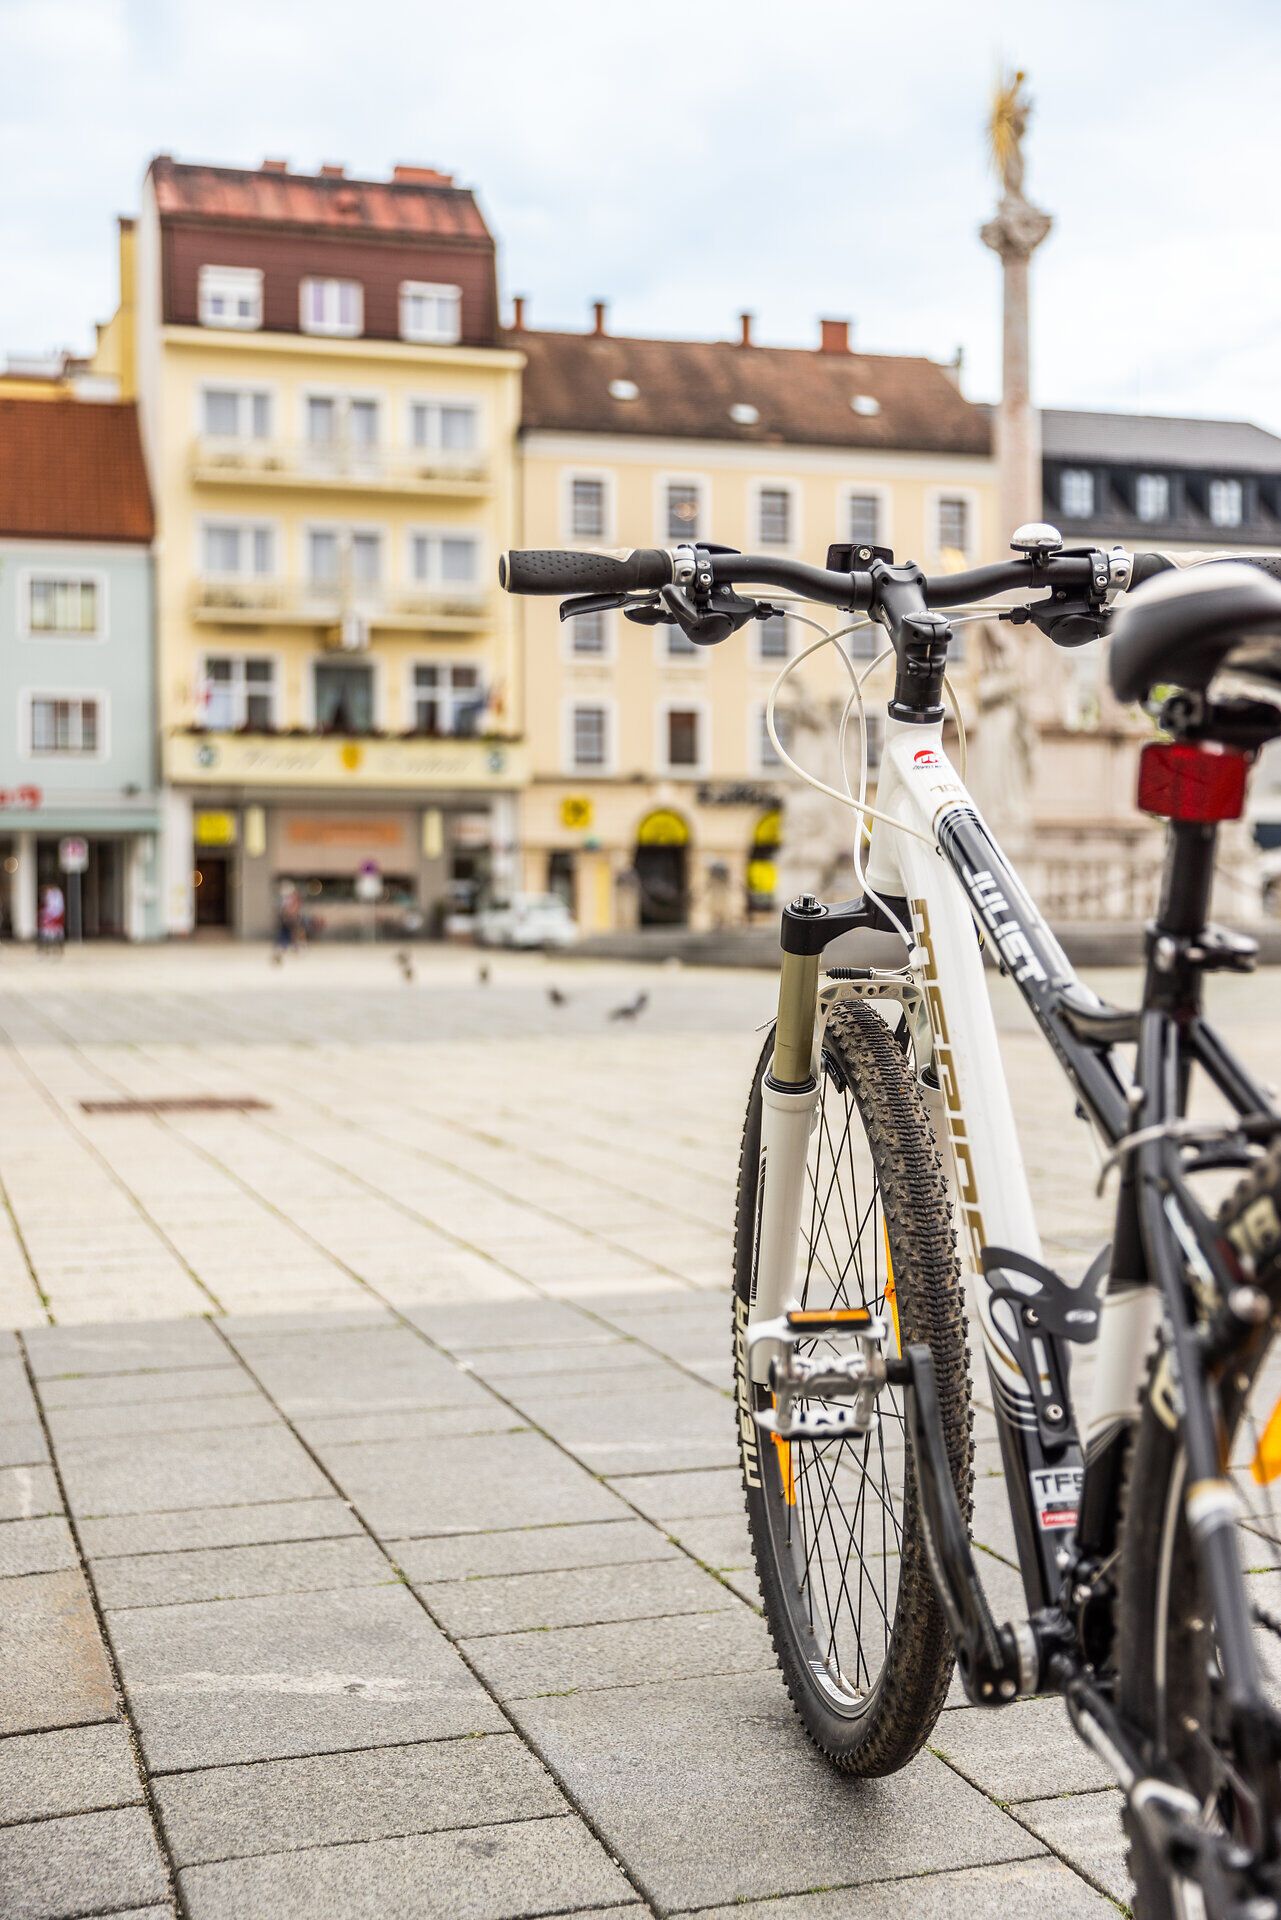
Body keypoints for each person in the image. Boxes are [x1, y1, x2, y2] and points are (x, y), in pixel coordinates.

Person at [38, 882, 65, 955]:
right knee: (46, 933)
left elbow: (56, 907)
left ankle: (57, 948)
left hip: (54, 916)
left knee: (55, 932)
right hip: (50, 917)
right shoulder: (49, 895)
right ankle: (46, 949)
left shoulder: (55, 894)